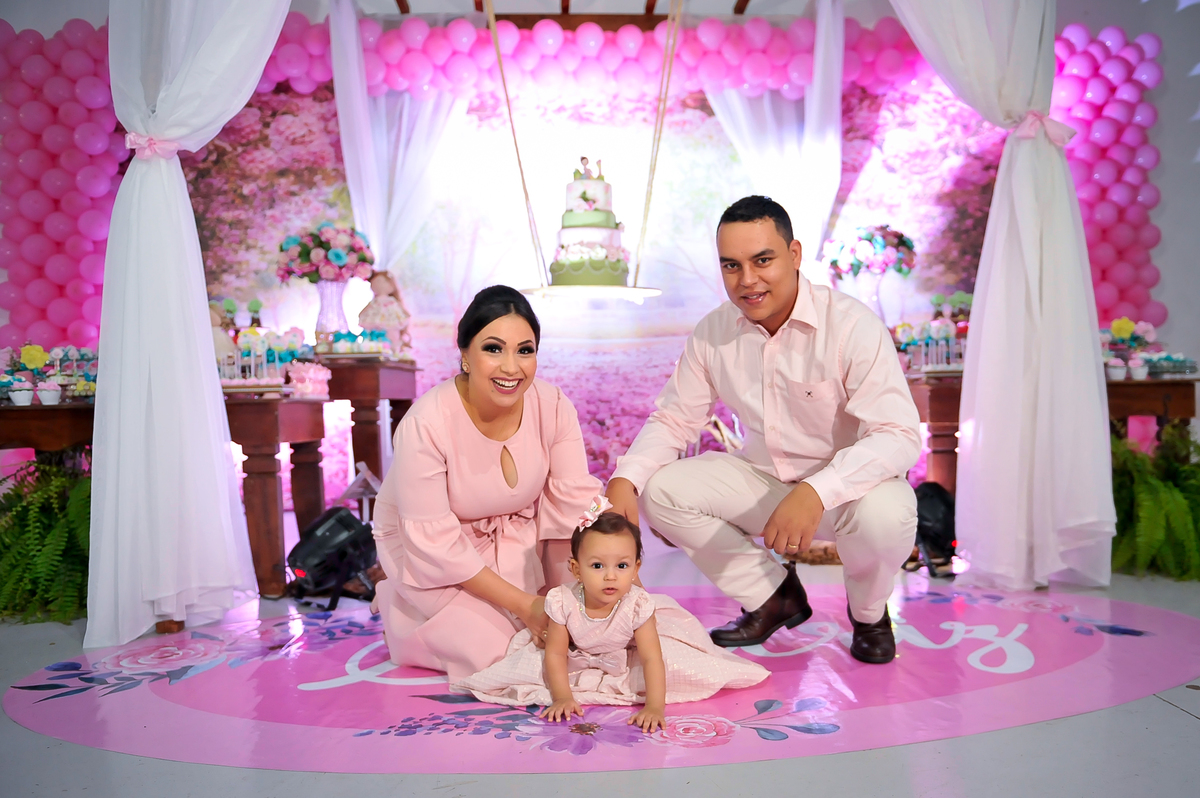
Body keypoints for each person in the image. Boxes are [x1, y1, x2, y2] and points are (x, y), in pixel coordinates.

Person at [605, 196, 921, 664]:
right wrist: (624, 479)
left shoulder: (851, 325)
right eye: (731, 265)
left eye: (763, 260)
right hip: (765, 485)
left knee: (888, 514)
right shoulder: (714, 332)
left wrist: (816, 491)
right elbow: (674, 418)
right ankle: (772, 595)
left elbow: (898, 434)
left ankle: (870, 614)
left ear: (794, 255)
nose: (747, 280)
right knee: (660, 491)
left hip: (849, 494)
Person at [370, 285, 601, 682]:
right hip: (433, 555)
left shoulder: (553, 405)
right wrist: (527, 605)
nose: (511, 367)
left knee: (591, 638)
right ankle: (402, 607)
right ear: (464, 354)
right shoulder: (425, 424)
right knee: (506, 659)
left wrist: (592, 585)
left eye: (525, 351)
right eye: (494, 349)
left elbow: (574, 507)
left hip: (520, 539)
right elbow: (436, 544)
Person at [453, 505, 769, 732]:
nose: (610, 577)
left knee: (677, 664)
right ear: (576, 569)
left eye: (621, 566)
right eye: (597, 566)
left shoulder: (636, 605)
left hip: (627, 650)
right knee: (532, 667)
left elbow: (651, 657)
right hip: (580, 652)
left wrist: (654, 706)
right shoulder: (563, 601)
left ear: (636, 568)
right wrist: (563, 697)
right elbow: (557, 653)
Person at [356, 270, 414, 360]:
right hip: (374, 328)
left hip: (391, 327)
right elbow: (362, 313)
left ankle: (393, 354)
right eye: (377, 281)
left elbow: (405, 314)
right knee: (374, 343)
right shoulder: (374, 302)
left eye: (382, 281)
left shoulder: (392, 302)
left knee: (392, 343)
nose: (380, 284)